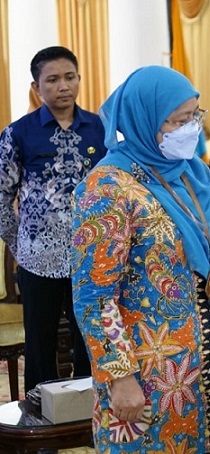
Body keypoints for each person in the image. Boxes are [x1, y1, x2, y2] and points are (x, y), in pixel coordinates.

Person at [71, 66, 210, 453]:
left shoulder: (192, 174)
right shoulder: (107, 188)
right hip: (146, 376)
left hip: (206, 367)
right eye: (179, 120)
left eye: (195, 116)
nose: (191, 128)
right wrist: (120, 376)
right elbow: (94, 296)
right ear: (145, 119)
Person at [0, 46, 105, 392]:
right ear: (37, 87)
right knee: (40, 344)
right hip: (37, 260)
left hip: (89, 257)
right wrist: (19, 245)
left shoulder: (100, 129)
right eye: (53, 79)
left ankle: (89, 412)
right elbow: (2, 196)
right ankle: (40, 413)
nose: (63, 86)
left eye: (70, 77)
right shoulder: (18, 133)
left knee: (90, 340)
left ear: (79, 79)